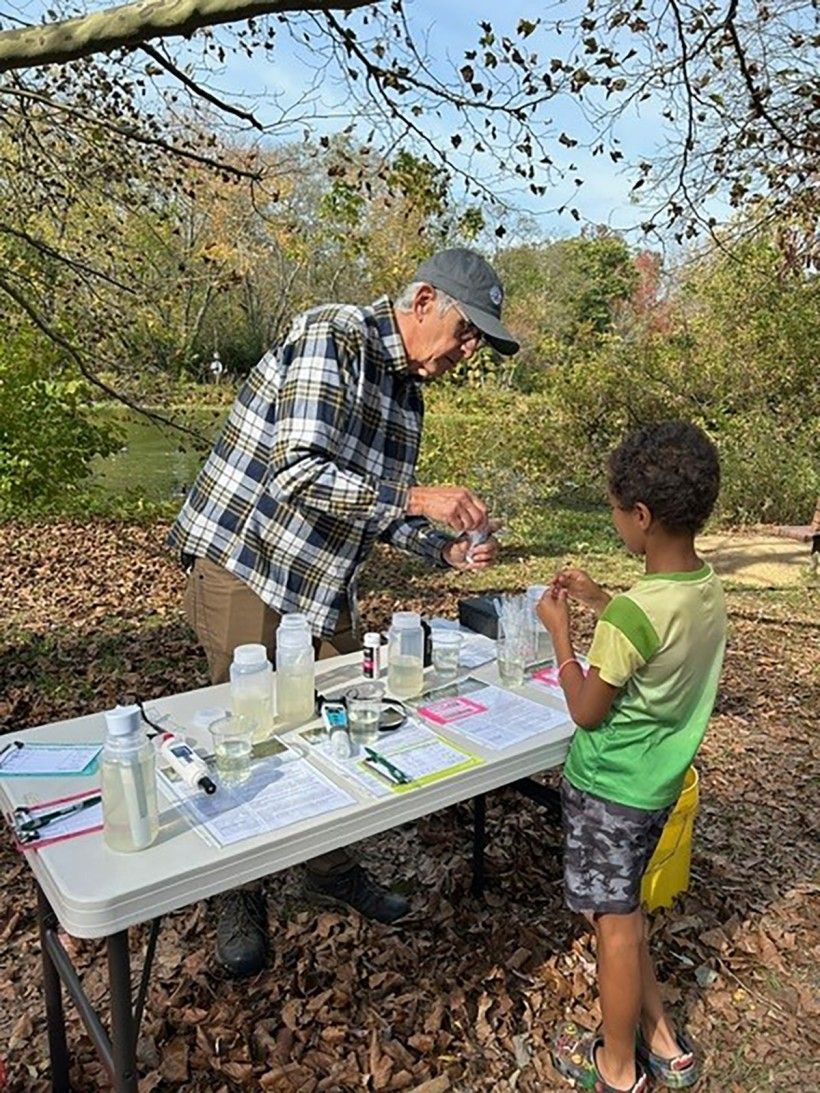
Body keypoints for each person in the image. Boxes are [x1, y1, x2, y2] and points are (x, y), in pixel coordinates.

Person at [169, 248, 519, 976]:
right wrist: (422, 498)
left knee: (338, 728)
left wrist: (443, 551)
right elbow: (297, 472)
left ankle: (328, 872)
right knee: (247, 729)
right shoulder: (336, 337)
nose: (468, 350)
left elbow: (380, 510)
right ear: (422, 300)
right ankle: (236, 893)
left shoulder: (409, 397)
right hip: (249, 562)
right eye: (464, 331)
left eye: (479, 339)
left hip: (323, 582)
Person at [536, 421, 726, 1092]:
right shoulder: (705, 589)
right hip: (657, 786)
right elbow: (660, 634)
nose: (617, 521)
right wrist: (597, 599)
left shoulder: (631, 619)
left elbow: (587, 706)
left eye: (617, 511)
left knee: (613, 928)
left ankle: (616, 1067)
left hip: (609, 788)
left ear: (640, 516)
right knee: (624, 913)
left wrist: (563, 637)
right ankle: (664, 1040)